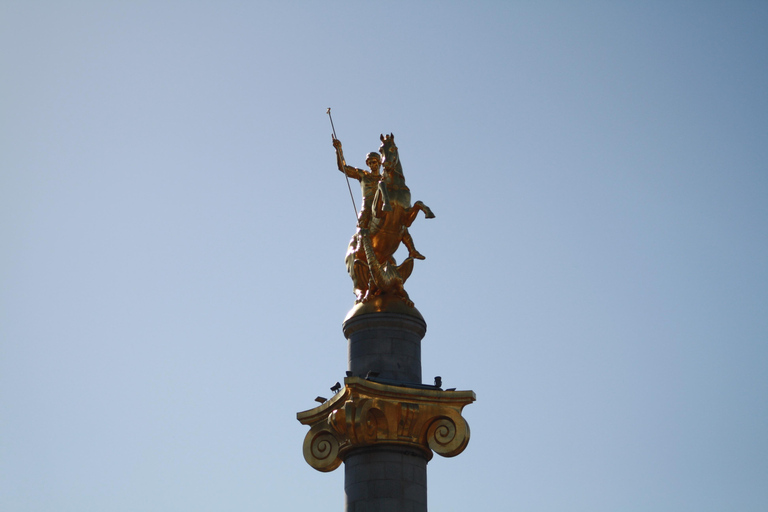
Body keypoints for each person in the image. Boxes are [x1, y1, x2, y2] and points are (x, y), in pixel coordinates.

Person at [332, 137, 391, 229]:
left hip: (381, 208)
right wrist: (339, 150)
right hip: (367, 208)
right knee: (361, 225)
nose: (371, 165)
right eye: (369, 163)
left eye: (373, 162)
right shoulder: (363, 175)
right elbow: (343, 168)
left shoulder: (384, 179)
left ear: (379, 163)